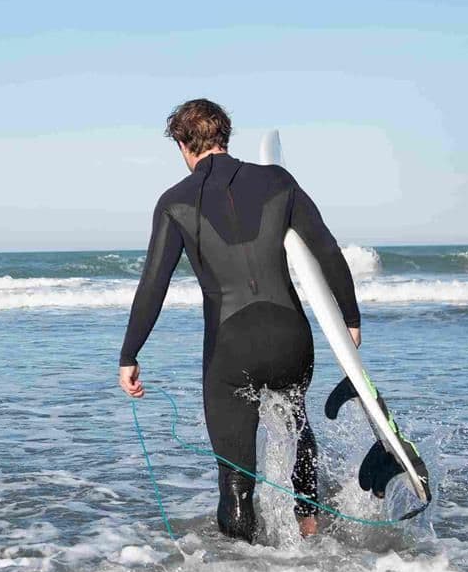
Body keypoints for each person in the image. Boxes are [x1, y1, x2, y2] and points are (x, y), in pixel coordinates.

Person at [118, 99, 361, 543]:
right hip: (291, 337)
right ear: (226, 136)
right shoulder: (278, 180)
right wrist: (349, 316)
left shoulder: (174, 202)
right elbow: (327, 249)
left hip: (231, 348)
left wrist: (130, 353)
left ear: (181, 143)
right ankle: (310, 528)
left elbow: (154, 284)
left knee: (235, 476)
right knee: (295, 421)